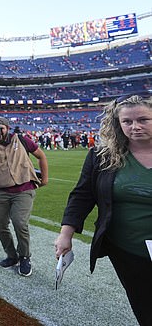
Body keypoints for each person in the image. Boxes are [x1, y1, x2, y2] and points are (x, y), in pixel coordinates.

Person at [55, 93, 152, 325]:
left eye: (143, 120)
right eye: (127, 121)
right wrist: (65, 234)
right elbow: (82, 195)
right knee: (145, 308)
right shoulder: (102, 156)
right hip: (128, 250)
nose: (134, 127)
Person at [0, 117, 48, 277]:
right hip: (1, 191)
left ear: (8, 128)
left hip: (23, 189)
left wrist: (45, 178)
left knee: (20, 222)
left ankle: (25, 256)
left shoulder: (20, 139)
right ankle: (11, 255)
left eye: (1, 128)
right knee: (0, 225)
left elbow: (41, 156)